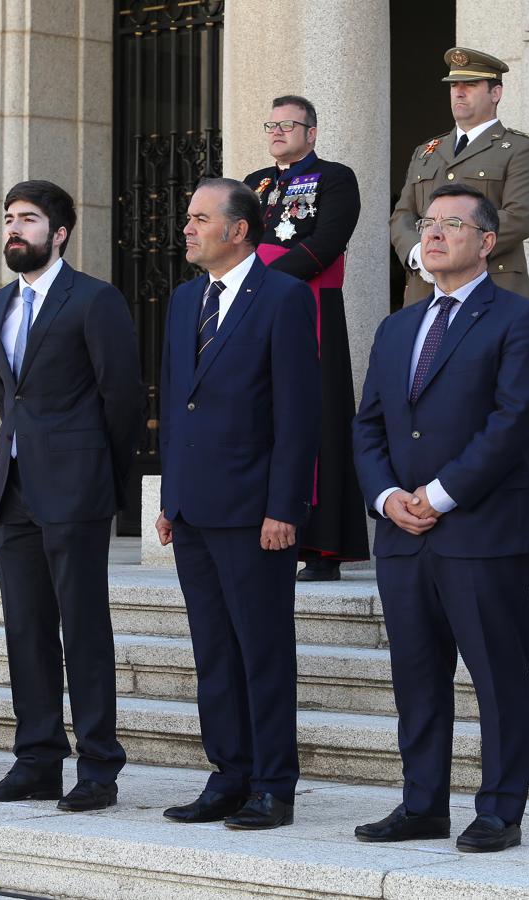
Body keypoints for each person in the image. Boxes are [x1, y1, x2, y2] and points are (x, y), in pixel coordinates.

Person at [352, 183, 529, 852]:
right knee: (415, 674)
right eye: (428, 223)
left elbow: (512, 423)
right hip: (402, 537)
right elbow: (370, 427)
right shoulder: (397, 326)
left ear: (487, 243)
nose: (433, 234)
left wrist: (436, 496)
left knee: (497, 677)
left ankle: (500, 809)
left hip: (481, 531)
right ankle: (422, 804)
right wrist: (386, 498)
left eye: (451, 225)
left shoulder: (519, 320)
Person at [0, 181, 143, 812]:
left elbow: (122, 400)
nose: (15, 229)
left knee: (84, 629)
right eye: (9, 217)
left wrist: (101, 479)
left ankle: (98, 768)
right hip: (13, 489)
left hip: (76, 489)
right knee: (26, 629)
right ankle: (36, 759)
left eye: (29, 219)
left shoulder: (95, 300)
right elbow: (6, 396)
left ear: (59, 232)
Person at [155, 178, 320, 830]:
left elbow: (297, 413)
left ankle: (273, 784)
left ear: (239, 229)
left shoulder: (284, 297)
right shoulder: (183, 301)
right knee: (214, 654)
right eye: (187, 218)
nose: (187, 229)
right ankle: (228, 775)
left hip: (257, 514)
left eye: (199, 218)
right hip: (194, 510)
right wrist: (170, 497)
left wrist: (285, 507)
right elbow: (175, 403)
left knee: (263, 652)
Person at [244, 94, 369, 581]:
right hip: (256, 306)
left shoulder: (335, 178)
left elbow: (327, 241)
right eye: (271, 124)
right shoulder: (254, 184)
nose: (277, 132)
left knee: (318, 412)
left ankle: (322, 545)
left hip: (308, 303)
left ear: (311, 132)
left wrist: (267, 278)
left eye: (288, 125)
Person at [390, 47, 529, 305]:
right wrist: (420, 253)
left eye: (471, 84)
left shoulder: (521, 149)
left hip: (492, 287)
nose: (459, 92)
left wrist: (455, 250)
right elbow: (403, 215)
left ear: (496, 93)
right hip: (426, 289)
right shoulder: (426, 151)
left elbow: (519, 217)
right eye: (454, 85)